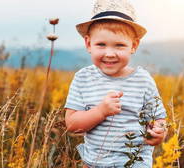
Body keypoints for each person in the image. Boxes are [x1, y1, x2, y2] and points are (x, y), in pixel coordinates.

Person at [64, 0, 167, 167]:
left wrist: (159, 132)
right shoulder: (83, 78)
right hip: (93, 163)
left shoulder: (143, 80)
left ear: (133, 46)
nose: (110, 53)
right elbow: (72, 124)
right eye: (101, 45)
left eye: (119, 45)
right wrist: (100, 111)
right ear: (88, 43)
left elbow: (158, 119)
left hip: (135, 163)